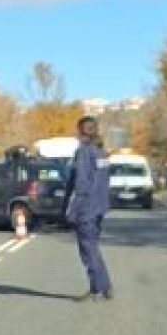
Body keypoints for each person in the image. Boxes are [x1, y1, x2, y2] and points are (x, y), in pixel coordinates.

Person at [65, 116, 113, 302]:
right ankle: (104, 286)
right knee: (93, 247)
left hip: (87, 208)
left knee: (87, 250)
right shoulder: (101, 153)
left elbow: (82, 185)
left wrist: (72, 210)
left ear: (80, 131)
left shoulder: (84, 152)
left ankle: (97, 289)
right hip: (100, 206)